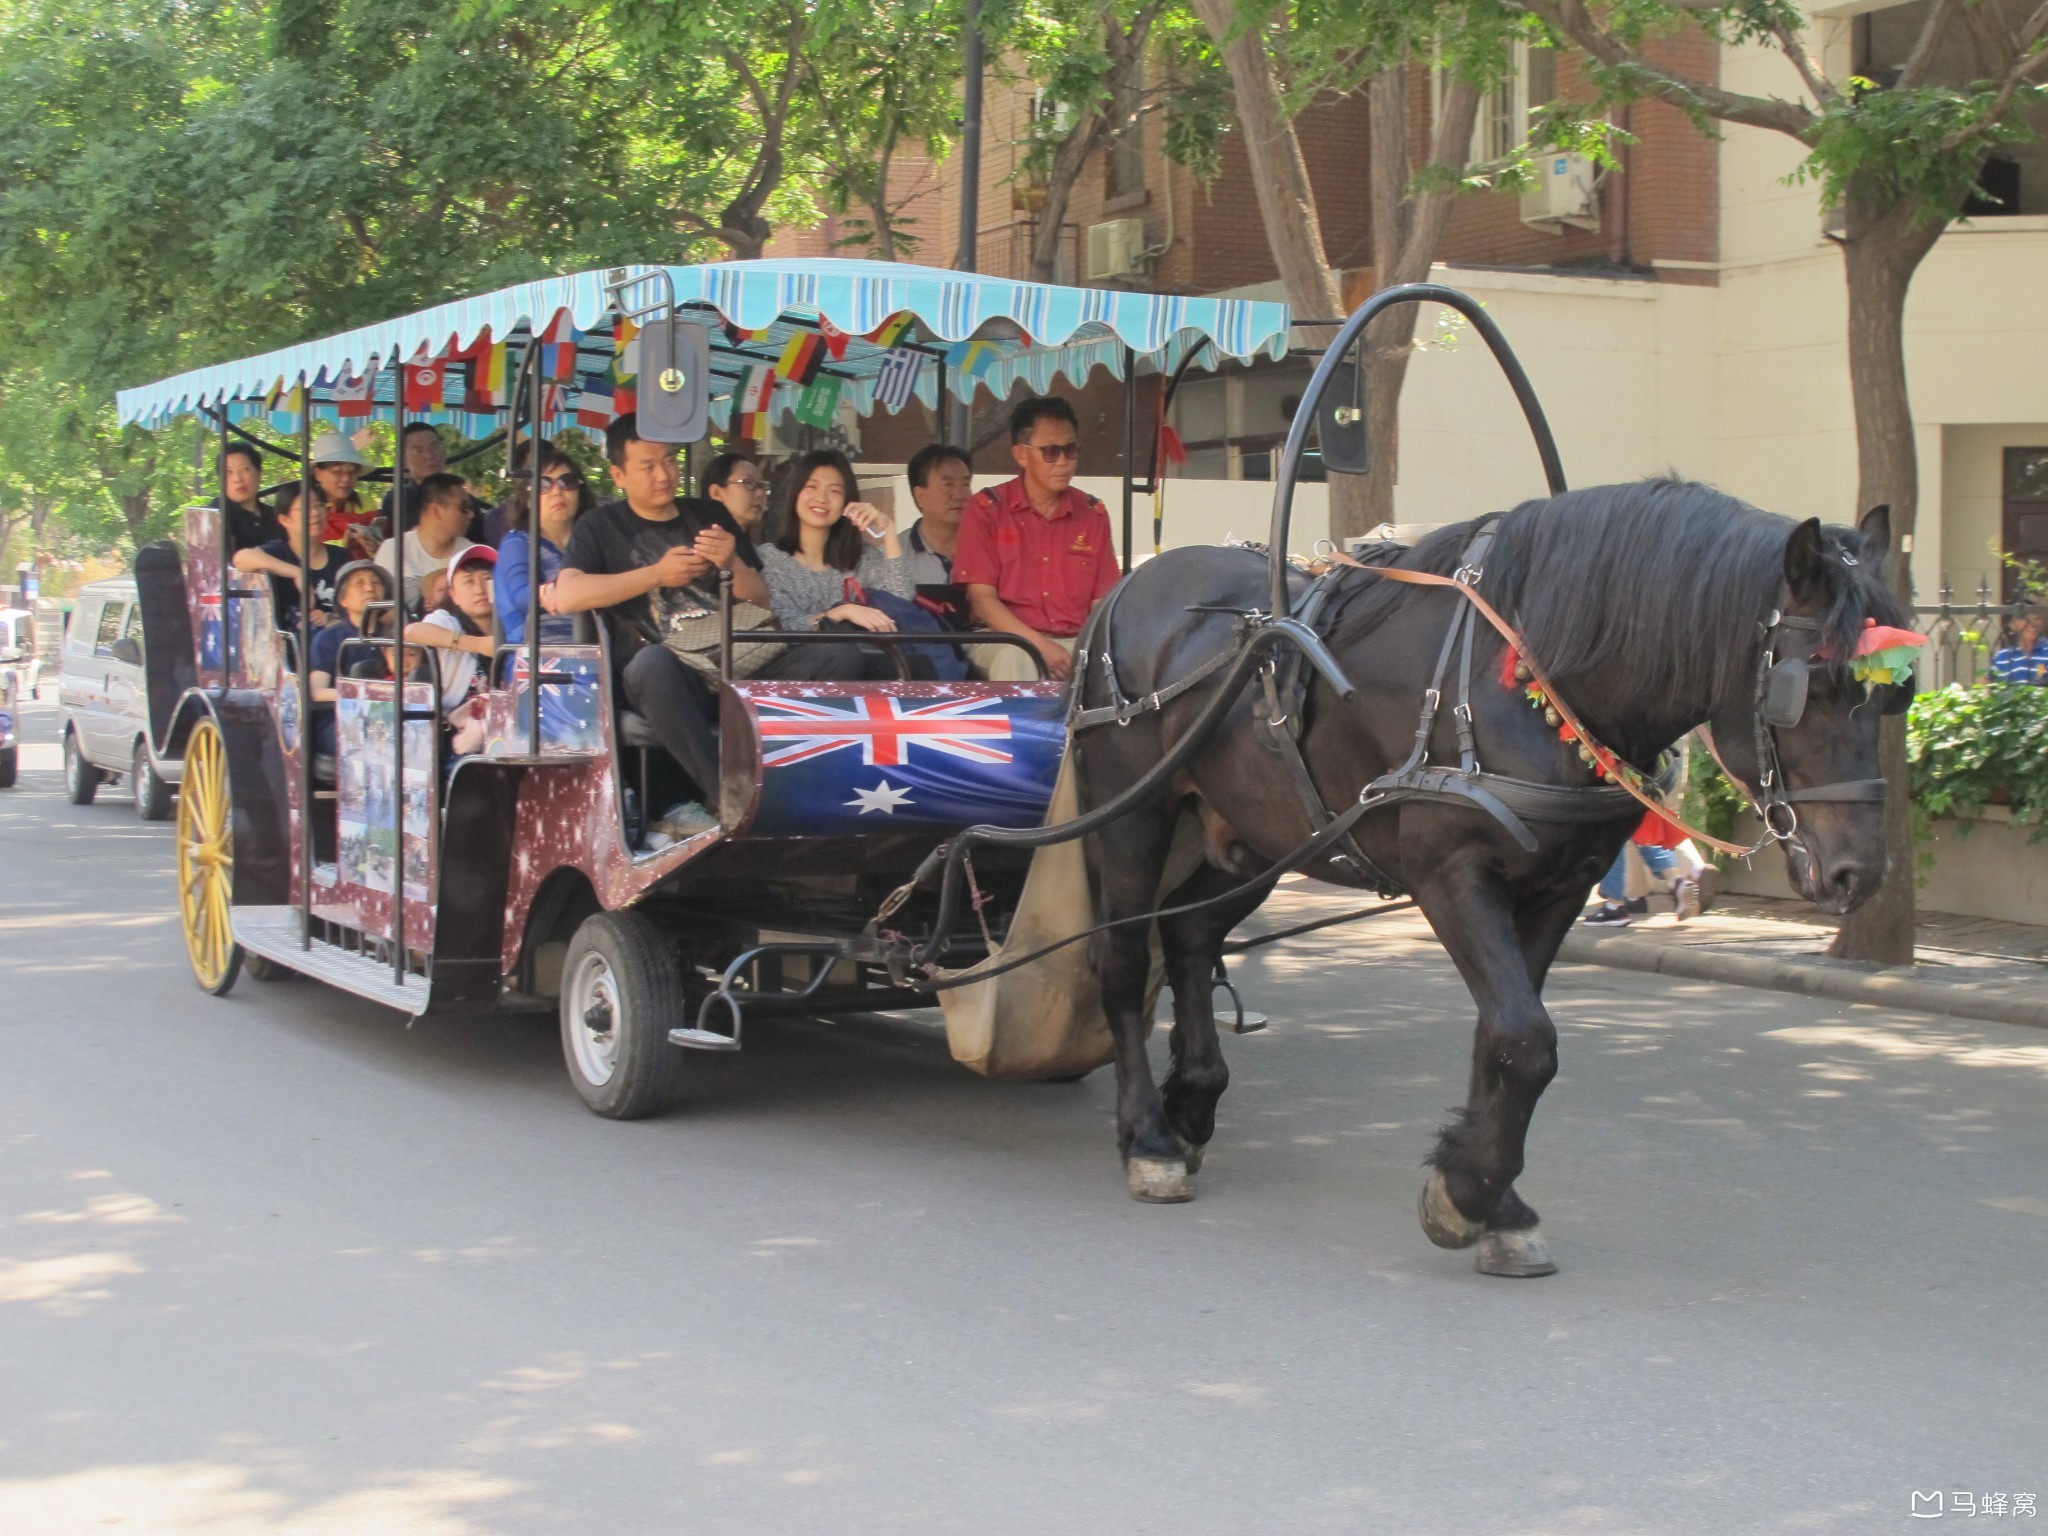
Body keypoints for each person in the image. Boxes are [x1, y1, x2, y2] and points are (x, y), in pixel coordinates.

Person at [552, 413, 864, 812]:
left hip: (740, 661)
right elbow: (568, 594)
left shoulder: (708, 514)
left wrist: (731, 560)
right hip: (675, 679)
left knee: (842, 655)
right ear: (618, 475)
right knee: (651, 664)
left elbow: (761, 598)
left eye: (669, 461)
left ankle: (809, 779)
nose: (663, 474)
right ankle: (727, 793)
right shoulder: (599, 525)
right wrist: (655, 575)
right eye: (647, 467)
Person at [953, 395, 1119, 682]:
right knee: (1018, 658)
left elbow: (1102, 603)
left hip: (1077, 641)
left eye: (1071, 450)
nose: (1064, 462)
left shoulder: (1093, 514)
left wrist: (1089, 649)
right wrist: (1040, 646)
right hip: (1004, 638)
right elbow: (982, 600)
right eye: (1051, 452)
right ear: (1021, 455)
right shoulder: (985, 510)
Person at [759, 449, 918, 679]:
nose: (822, 498)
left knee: (913, 665)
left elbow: (901, 599)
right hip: (793, 668)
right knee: (841, 655)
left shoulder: (861, 558)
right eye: (811, 487)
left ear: (847, 501)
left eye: (834, 491)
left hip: (859, 663)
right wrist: (842, 612)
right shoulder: (770, 559)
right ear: (795, 494)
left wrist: (889, 532)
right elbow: (784, 629)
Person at [404, 545, 498, 756]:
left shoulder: (515, 626)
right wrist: (476, 645)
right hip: (455, 741)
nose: (479, 589)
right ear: (453, 594)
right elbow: (412, 632)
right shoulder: (446, 621)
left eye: (487, 579)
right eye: (469, 581)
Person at [496, 447, 591, 645]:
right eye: (543, 484)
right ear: (527, 499)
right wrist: (547, 593)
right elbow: (520, 596)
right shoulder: (518, 544)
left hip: (602, 655)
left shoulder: (594, 540)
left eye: (568, 482)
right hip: (539, 662)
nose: (557, 492)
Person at [231, 482, 346, 635]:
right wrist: (297, 573)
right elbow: (242, 559)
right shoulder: (279, 552)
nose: (314, 513)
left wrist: (329, 618)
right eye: (304, 508)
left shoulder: (341, 557)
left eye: (319, 505)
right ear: (285, 520)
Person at [308, 561, 396, 756]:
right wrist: (364, 696)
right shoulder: (329, 638)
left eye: (376, 583)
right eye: (359, 583)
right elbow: (316, 691)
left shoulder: (396, 636)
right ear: (343, 600)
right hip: (341, 722)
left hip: (391, 719)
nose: (369, 588)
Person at [376, 472, 477, 615]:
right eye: (464, 508)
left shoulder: (471, 554)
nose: (471, 514)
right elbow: (382, 612)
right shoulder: (393, 550)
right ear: (436, 511)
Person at [903, 442, 974, 629]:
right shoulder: (894, 555)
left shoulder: (990, 549)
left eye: (965, 484)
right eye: (948, 484)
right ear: (920, 496)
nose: (959, 494)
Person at [380, 422, 483, 535]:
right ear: (404, 461)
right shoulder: (397, 499)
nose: (429, 456)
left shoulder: (468, 501)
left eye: (434, 448)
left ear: (444, 454)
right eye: (418, 451)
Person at [306, 430, 381, 559]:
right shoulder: (305, 506)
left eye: (352, 471)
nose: (346, 478)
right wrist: (342, 545)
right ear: (318, 474)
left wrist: (374, 547)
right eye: (337, 471)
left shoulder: (365, 502)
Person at [218, 442, 279, 552]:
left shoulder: (275, 515)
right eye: (229, 472)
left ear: (259, 474)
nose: (237, 479)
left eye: (244, 469)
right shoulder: (217, 514)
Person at [703, 451, 772, 535]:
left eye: (762, 485)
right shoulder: (695, 543)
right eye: (748, 482)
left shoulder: (752, 547)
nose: (760, 494)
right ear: (716, 493)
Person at [1990, 610, 2048, 684]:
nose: (2031, 623)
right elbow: (1988, 683)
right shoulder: (2002, 656)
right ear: (2013, 625)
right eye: (2025, 619)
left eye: (2036, 618)